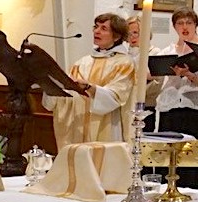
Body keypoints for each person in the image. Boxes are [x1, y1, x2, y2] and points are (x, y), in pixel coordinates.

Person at [43, 13, 135, 149]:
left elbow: (116, 97)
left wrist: (88, 88)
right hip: (79, 127)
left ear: (117, 36)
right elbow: (67, 97)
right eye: (96, 27)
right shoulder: (82, 62)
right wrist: (49, 86)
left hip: (108, 127)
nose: (97, 31)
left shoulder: (124, 63)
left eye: (104, 28)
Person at [154, 7, 198, 189]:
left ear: (196, 25)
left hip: (193, 108)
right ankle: (169, 191)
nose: (184, 26)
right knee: (170, 158)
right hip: (169, 107)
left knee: (192, 159)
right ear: (174, 27)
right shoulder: (168, 51)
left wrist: (189, 74)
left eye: (189, 22)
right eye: (180, 23)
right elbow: (153, 74)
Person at [127, 15, 162, 131]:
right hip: (126, 105)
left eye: (135, 32)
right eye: (128, 33)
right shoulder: (124, 55)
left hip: (146, 105)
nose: (132, 37)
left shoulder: (155, 53)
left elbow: (158, 82)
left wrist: (136, 91)